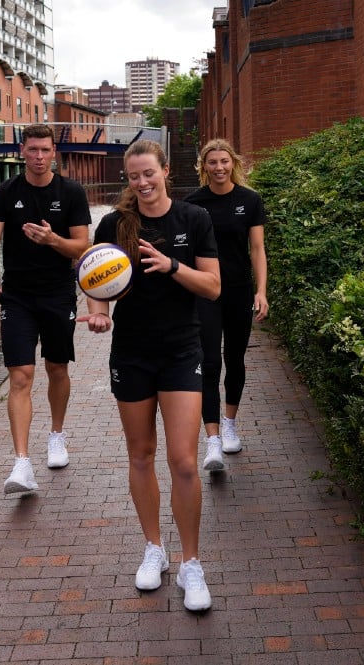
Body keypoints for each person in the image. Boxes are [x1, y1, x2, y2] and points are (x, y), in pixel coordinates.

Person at [79, 139, 220, 611]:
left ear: (164, 171)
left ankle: (191, 562)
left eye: (149, 173)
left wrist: (171, 265)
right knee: (140, 455)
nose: (141, 182)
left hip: (182, 351)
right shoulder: (114, 224)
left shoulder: (193, 220)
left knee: (183, 460)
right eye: (134, 176)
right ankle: (153, 549)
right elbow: (96, 279)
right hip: (132, 353)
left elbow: (214, 286)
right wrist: (97, 312)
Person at [0, 123, 92, 494]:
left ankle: (56, 436)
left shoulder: (71, 192)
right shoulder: (5, 193)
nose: (39, 157)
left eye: (45, 150)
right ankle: (22, 463)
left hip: (59, 293)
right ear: (21, 151)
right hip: (18, 297)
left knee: (57, 367)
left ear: (54, 152)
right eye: (32, 150)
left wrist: (52, 239)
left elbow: (82, 249)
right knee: (21, 375)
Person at [184, 139, 268, 472]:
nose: (219, 168)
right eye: (212, 163)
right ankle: (213, 439)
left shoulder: (250, 201)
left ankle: (229, 422)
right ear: (203, 167)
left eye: (224, 162)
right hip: (205, 293)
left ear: (233, 163)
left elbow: (257, 250)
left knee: (235, 359)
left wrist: (261, 291)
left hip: (238, 291)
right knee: (207, 360)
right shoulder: (192, 204)